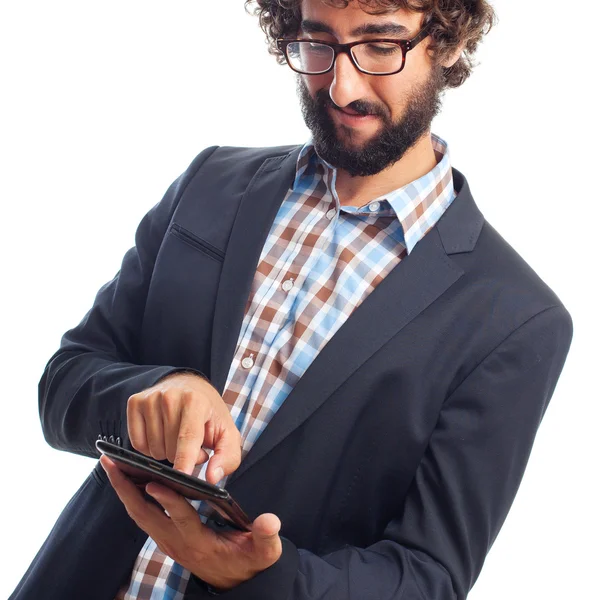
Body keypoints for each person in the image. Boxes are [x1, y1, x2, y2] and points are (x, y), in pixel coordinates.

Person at [10, 0, 573, 599]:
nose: (341, 84)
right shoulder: (210, 182)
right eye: (318, 43)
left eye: (380, 46)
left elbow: (427, 578)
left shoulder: (516, 319)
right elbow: (62, 385)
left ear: (450, 40)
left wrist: (264, 577)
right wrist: (152, 394)